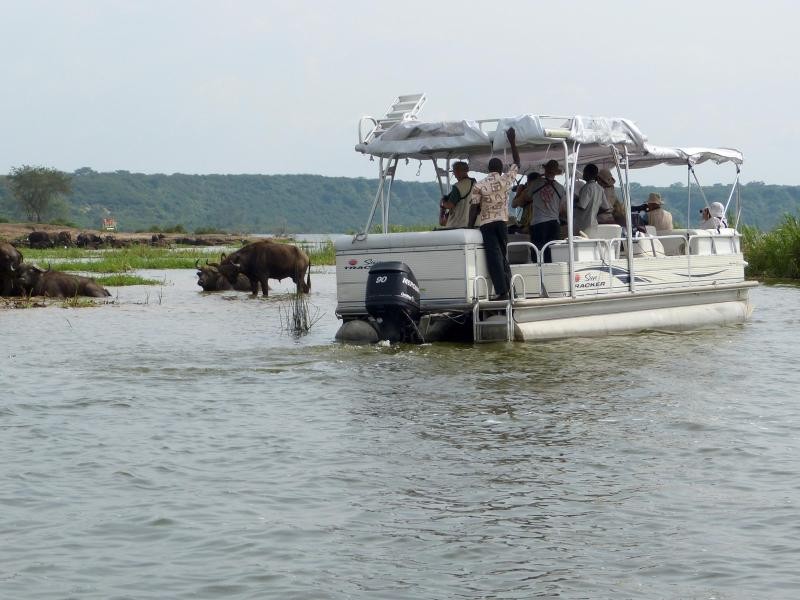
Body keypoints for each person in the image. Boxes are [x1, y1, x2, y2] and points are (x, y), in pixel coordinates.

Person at [468, 128, 520, 301]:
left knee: (494, 257)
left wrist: (468, 227)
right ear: (499, 168)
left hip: (487, 224)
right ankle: (512, 289)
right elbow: (517, 162)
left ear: (488, 169)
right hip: (502, 222)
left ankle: (502, 292)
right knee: (503, 255)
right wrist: (512, 141)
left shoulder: (479, 185)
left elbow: (474, 208)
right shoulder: (505, 179)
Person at [519, 159, 565, 262]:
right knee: (552, 255)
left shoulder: (535, 184)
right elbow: (561, 209)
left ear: (545, 170)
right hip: (554, 224)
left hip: (538, 223)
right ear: (556, 173)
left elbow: (526, 198)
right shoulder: (561, 188)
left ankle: (539, 275)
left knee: (537, 253)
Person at [439, 162, 476, 229]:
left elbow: (450, 205)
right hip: (473, 225)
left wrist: (443, 204)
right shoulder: (475, 184)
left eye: (454, 172)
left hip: (458, 226)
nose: (455, 175)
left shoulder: (458, 186)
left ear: (459, 171)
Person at [573, 163, 604, 236]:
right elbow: (604, 207)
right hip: (593, 223)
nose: (583, 174)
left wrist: (574, 202)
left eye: (584, 172)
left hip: (584, 224)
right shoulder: (600, 188)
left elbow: (582, 205)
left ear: (588, 173)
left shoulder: (587, 187)